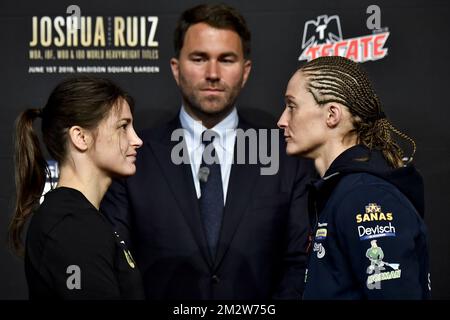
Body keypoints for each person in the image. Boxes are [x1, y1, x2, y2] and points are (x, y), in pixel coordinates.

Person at [101, 3, 316, 300]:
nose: (213, 73)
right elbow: (118, 265)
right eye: (199, 58)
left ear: (245, 71)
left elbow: (299, 264)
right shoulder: (132, 156)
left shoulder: (286, 154)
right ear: (176, 69)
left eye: (226, 59)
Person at [277, 56, 431, 299]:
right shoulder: (343, 190)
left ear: (332, 115)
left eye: (292, 106)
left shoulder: (365, 197)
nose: (282, 121)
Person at [9, 77, 145, 299]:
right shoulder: (72, 226)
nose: (137, 139)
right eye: (123, 127)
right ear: (81, 137)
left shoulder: (79, 219)